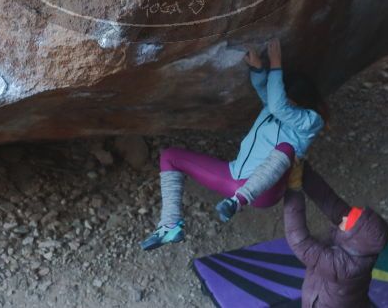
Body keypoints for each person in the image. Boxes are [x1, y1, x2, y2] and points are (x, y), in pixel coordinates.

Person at [140, 39, 327, 251]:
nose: (284, 103)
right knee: (169, 156)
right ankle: (169, 225)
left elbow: (277, 105)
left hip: (263, 191)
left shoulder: (310, 122)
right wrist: (258, 69)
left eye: (289, 100)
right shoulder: (274, 107)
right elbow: (270, 96)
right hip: (234, 176)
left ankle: (238, 201)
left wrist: (276, 64)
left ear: (303, 102)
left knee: (286, 148)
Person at [283, 161, 388, 308]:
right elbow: (329, 200)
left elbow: (301, 243)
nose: (345, 217)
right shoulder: (361, 245)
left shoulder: (344, 267)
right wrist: (303, 170)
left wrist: (293, 190)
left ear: (353, 236)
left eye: (349, 220)